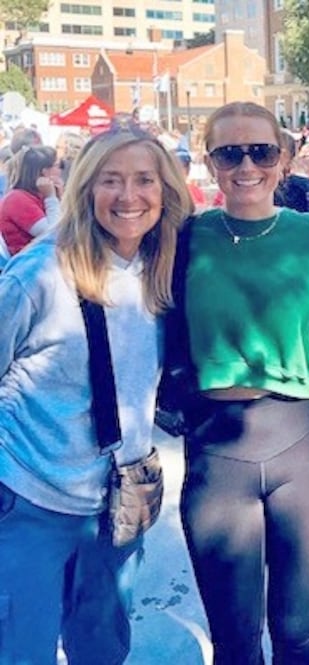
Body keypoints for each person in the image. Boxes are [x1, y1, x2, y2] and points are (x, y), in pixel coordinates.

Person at [0, 127, 191, 664]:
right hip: (30, 498)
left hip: (116, 505)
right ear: (86, 188)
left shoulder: (166, 269)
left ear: (165, 190)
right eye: (111, 180)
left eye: (143, 181)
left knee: (102, 650)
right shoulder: (40, 273)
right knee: (22, 651)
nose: (128, 197)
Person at [172, 101, 309, 664]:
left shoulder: (308, 235)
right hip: (218, 449)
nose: (246, 164)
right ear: (210, 164)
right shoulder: (185, 238)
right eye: (230, 153)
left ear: (284, 159)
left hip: (301, 441)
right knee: (235, 641)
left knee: (300, 636)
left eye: (261, 151)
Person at [0, 145, 63, 256]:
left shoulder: (36, 196)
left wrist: (60, 197)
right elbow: (52, 235)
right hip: (27, 265)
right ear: (44, 172)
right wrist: (51, 198)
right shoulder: (17, 199)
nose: (61, 171)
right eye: (58, 166)